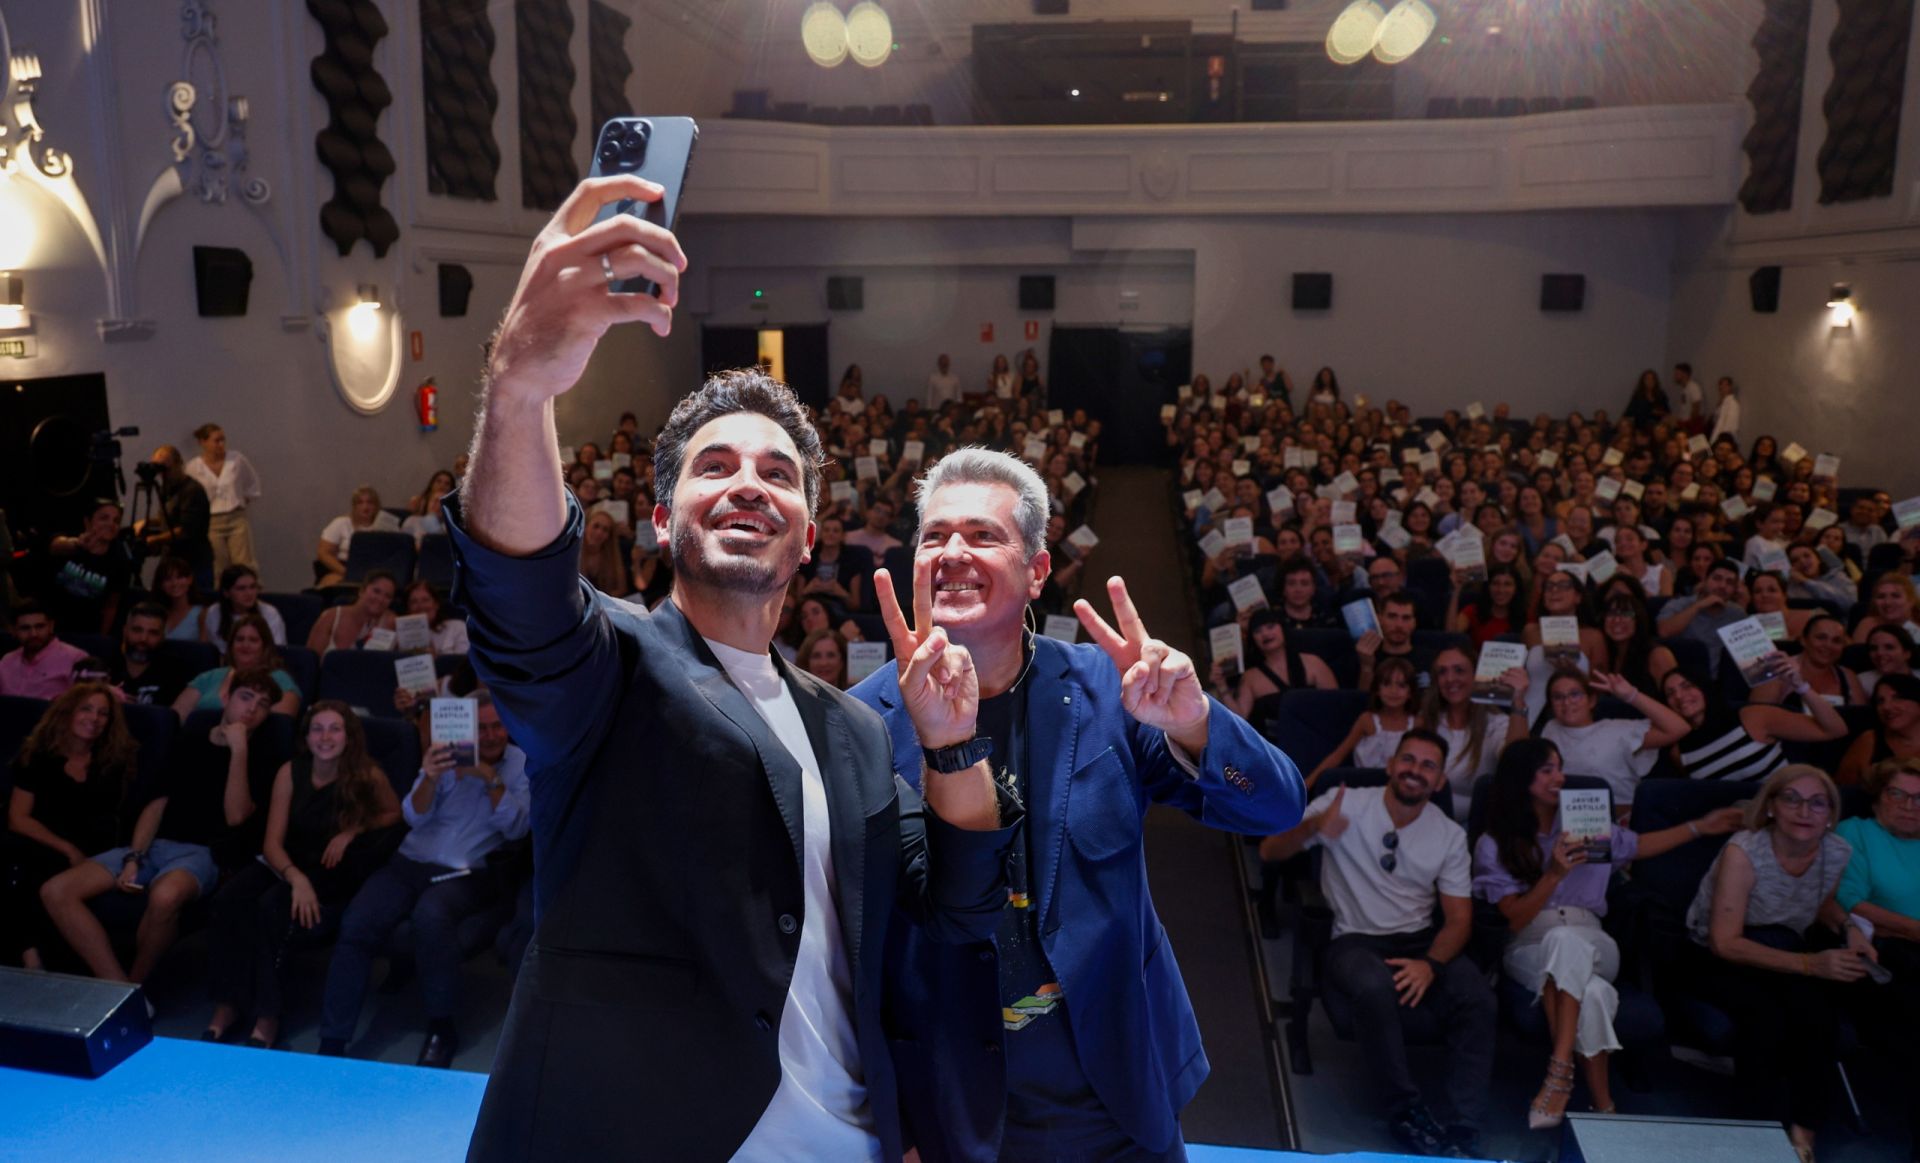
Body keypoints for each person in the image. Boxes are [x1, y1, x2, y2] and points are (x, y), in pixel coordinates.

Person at [447, 174, 1010, 1162]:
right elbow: (520, 594)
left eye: (777, 473)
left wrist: (951, 742)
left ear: (807, 535)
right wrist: (522, 386)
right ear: (660, 521)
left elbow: (954, 907)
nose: (748, 483)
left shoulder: (853, 728)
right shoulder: (612, 667)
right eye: (715, 467)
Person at [849, 447, 1304, 1161]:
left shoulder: (1112, 692)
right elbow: (857, 944)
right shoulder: (857, 724)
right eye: (935, 536)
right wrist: (896, 1122)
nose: (953, 553)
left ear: (1037, 571)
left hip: (1117, 1093)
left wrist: (1195, 723)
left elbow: (1275, 809)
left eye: (982, 535)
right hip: (955, 1111)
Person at [1474, 739, 1741, 1126]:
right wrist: (1554, 875)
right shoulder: (1495, 842)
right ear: (1521, 778)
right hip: (1530, 945)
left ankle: (1559, 1071)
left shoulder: (1584, 822)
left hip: (1592, 938)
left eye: (1559, 768)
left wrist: (1700, 827)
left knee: (1568, 942)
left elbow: (1639, 845)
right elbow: (1514, 921)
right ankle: (1605, 1110)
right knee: (1594, 993)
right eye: (1547, 770)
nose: (1559, 778)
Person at [1260, 731, 1494, 1158]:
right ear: (1390, 764)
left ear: (1440, 781)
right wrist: (1314, 827)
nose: (1415, 771)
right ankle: (1404, 1110)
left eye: (1428, 766)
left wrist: (1430, 964)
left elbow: (1459, 919)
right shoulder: (1345, 802)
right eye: (1408, 760)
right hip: (1355, 939)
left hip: (1419, 941)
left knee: (1477, 997)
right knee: (1373, 987)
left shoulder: (1447, 833)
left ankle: (1464, 1125)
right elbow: (1270, 851)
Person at [317, 692, 525, 1066]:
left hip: (466, 872)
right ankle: (333, 1039)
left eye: (498, 726)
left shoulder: (520, 764)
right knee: (358, 921)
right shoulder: (444, 756)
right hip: (410, 861)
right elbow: (413, 816)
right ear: (467, 729)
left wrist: (490, 778)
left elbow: (516, 828)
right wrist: (430, 777)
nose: (492, 735)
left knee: (431, 916)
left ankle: (441, 1027)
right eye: (481, 728)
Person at [40, 671, 278, 984]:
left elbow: (236, 816)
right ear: (225, 698)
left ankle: (135, 987)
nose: (252, 709)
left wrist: (239, 750)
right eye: (246, 697)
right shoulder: (189, 740)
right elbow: (156, 804)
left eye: (262, 704)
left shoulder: (264, 755)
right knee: (56, 890)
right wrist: (135, 856)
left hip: (204, 853)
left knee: (165, 896)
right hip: (156, 845)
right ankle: (119, 987)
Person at [1685, 764, 1868, 1162]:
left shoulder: (1837, 851)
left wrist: (1850, 927)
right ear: (1770, 807)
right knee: (1765, 1017)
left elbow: (1821, 902)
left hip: (1785, 942)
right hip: (1718, 952)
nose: (1805, 812)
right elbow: (1724, 942)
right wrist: (1810, 965)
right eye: (1792, 799)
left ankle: (1804, 1131)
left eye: (1817, 803)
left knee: (1818, 1012)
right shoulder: (1744, 851)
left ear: (1830, 814)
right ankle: (1758, 1137)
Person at [204, 700, 400, 1048]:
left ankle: (268, 1015)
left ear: (349, 736)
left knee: (271, 909)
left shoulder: (367, 774)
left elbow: (393, 813)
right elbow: (272, 843)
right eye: (317, 729)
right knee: (228, 901)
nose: (325, 737)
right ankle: (228, 1004)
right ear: (307, 737)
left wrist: (352, 831)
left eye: (335, 729)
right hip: (286, 863)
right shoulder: (290, 772)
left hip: (329, 871)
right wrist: (295, 878)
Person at [4, 684, 139, 970]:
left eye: (103, 713)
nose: (94, 718)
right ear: (68, 713)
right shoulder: (38, 756)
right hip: (43, 837)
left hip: (94, 846)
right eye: (86, 709)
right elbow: (18, 818)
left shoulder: (111, 762)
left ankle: (34, 958)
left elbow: (115, 818)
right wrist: (67, 848)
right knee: (30, 862)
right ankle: (31, 956)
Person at [1836, 757, 1920, 1161]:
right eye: (1897, 794)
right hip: (1882, 956)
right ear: (1877, 797)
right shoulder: (1857, 833)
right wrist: (1913, 928)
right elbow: (1849, 901)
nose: (1910, 805)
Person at [1660, 664, 1848, 783]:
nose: (1679, 696)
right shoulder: (1679, 752)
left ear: (1704, 687)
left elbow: (1835, 730)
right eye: (1670, 693)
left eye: (1687, 686)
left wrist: (1801, 687)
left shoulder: (1753, 716)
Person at [1539, 670, 1690, 810]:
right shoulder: (1550, 728)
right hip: (1564, 819)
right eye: (1558, 697)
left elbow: (1679, 728)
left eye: (1574, 694)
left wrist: (1632, 695)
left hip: (1618, 816)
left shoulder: (1618, 730)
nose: (1566, 702)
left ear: (1591, 700)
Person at [1418, 646, 1529, 820]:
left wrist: (1518, 701)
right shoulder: (1427, 720)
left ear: (1476, 674)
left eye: (1459, 670)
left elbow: (1517, 764)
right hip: (1425, 818)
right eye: (1442, 672)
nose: (1450, 679)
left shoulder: (1496, 723)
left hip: (1477, 825)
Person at [1303, 656, 1419, 790]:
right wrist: (1307, 784)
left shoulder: (1417, 723)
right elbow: (1337, 756)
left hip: (1402, 789)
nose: (1393, 691)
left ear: (1410, 692)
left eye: (1401, 685)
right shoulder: (1367, 720)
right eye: (1386, 684)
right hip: (1364, 787)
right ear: (1377, 690)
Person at [1212, 608, 1338, 721]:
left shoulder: (1313, 663)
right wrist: (1222, 686)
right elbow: (1239, 718)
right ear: (1253, 639)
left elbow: (1337, 704)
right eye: (1257, 631)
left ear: (1283, 629)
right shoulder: (1250, 677)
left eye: (1270, 626)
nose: (1265, 634)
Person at [174, 612, 301, 717]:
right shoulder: (210, 677)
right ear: (231, 646)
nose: (245, 645)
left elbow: (278, 728)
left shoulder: (280, 680)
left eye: (253, 640)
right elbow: (175, 719)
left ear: (265, 647)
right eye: (239, 639)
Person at [45, 498, 136, 635]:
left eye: (116, 521)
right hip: (50, 625)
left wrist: (101, 639)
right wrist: (76, 544)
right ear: (87, 522)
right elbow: (55, 546)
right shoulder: (71, 542)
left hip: (87, 629)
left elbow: (111, 606)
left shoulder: (120, 560)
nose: (111, 524)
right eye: (104, 518)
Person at [186, 422, 263, 577]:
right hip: (211, 521)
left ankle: (247, 588)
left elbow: (252, 485)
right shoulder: (193, 467)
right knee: (217, 565)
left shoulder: (236, 460)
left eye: (223, 440)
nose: (221, 444)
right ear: (203, 442)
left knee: (244, 563)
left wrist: (240, 502)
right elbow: (190, 496)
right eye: (216, 441)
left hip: (236, 518)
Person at [1751, 614, 1866, 709]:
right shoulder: (1777, 669)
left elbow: (1861, 720)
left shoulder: (1848, 676)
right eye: (1821, 637)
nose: (1828, 645)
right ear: (1803, 640)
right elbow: (1756, 718)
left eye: (1836, 641)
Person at [137, 445, 213, 587]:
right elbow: (168, 518)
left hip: (193, 560)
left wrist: (154, 540)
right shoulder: (167, 488)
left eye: (166, 469)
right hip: (172, 557)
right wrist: (147, 522)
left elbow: (186, 530)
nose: (163, 474)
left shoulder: (192, 491)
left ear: (179, 464)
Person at [1656, 558, 1748, 675]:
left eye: (1729, 582)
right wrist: (1698, 606)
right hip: (1685, 674)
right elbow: (1664, 631)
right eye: (1717, 579)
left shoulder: (1737, 613)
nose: (1722, 586)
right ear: (1704, 580)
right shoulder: (1679, 604)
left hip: (1722, 679)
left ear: (1735, 589)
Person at [1837, 674, 1920, 785]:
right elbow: (1842, 789)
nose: (1886, 707)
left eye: (1897, 698)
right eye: (1880, 701)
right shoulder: (1869, 741)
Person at [315, 486, 402, 587]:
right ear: (354, 506)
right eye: (360, 503)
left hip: (375, 572)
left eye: (370, 502)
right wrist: (346, 572)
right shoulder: (341, 523)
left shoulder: (386, 528)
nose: (365, 507)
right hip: (343, 568)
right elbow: (323, 553)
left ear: (376, 506)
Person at [109, 601, 192, 707]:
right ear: (125, 631)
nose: (143, 639)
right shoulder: (106, 664)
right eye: (137, 630)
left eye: (153, 633)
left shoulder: (175, 670)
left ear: (162, 637)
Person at [0, 601, 89, 700]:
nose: (33, 634)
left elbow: (87, 701)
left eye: (39, 626)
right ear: (14, 630)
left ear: (51, 626)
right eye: (25, 628)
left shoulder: (75, 658)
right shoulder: (7, 661)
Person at [306, 570, 399, 655]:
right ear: (362, 591)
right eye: (376, 591)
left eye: (388, 596)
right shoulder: (330, 617)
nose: (380, 599)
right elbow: (310, 661)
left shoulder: (390, 622)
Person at [202, 565, 286, 650]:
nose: (249, 593)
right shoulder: (214, 612)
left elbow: (275, 650)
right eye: (241, 588)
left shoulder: (269, 613)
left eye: (252, 587)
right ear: (226, 593)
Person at [401, 579, 470, 656]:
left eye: (425, 600)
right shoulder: (400, 636)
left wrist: (436, 657)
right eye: (414, 602)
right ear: (408, 608)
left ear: (436, 604)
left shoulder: (457, 627)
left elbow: (464, 660)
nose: (420, 606)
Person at [149, 556, 206, 642]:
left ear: (190, 579)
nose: (174, 583)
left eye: (179, 577)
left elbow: (204, 648)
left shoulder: (202, 614)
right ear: (161, 585)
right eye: (168, 579)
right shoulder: (155, 613)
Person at [1852, 574, 1920, 644]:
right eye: (1881, 596)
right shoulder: (1868, 625)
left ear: (1911, 600)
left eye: (1895, 596)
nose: (1887, 602)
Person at [1860, 623, 1917, 695]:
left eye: (1889, 647)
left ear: (1907, 653)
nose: (1879, 653)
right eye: (1874, 648)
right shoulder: (1861, 682)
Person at [1709, 376, 1742, 443]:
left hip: (1724, 439)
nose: (1722, 387)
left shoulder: (1733, 404)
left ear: (1730, 387)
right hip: (1716, 437)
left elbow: (1730, 426)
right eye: (1720, 385)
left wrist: (1721, 440)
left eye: (1725, 385)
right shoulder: (1722, 403)